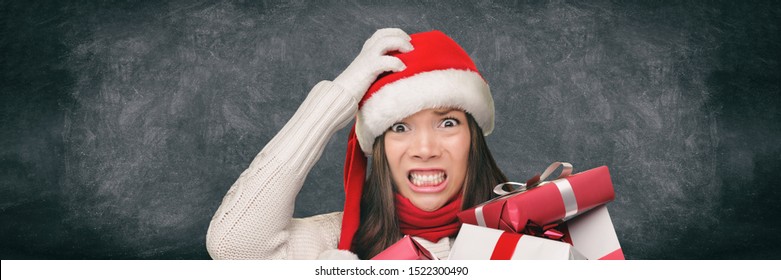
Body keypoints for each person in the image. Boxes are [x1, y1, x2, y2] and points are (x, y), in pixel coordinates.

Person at [206, 28, 507, 260]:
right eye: (399, 127)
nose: (425, 149)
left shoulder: (535, 232)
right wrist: (342, 94)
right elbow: (232, 243)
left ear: (474, 138)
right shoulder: (333, 243)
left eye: (448, 123)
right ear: (378, 149)